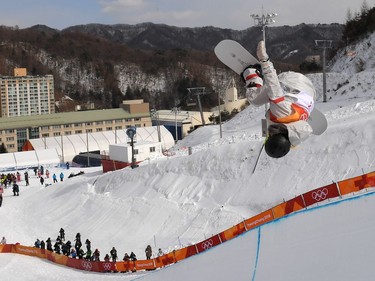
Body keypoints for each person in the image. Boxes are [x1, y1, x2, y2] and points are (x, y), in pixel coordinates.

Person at [242, 40, 316, 158]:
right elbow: (273, 85)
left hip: (310, 91)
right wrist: (264, 61)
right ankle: (252, 72)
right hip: (290, 81)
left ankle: (303, 104)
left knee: (291, 108)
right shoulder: (281, 114)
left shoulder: (298, 132)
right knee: (254, 99)